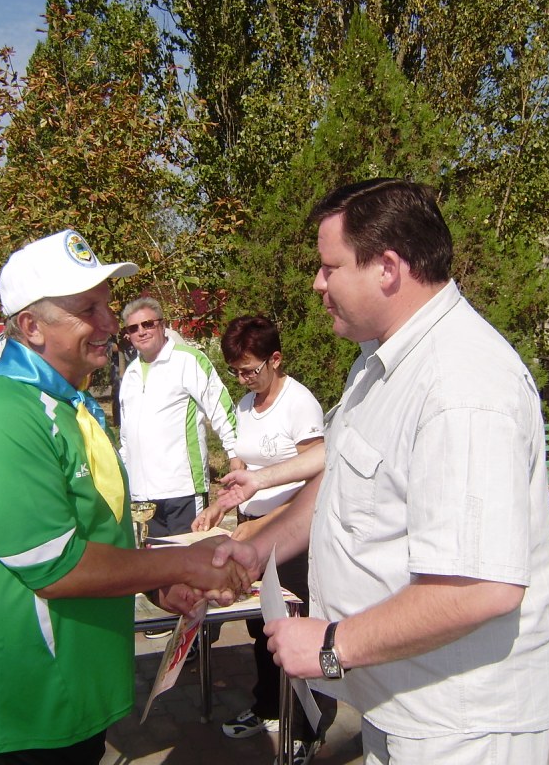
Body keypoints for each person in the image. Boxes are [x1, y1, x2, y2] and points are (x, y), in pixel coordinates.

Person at [210, 179, 549, 764]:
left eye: (330, 267)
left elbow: (481, 587)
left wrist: (332, 644)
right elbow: (339, 483)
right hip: (402, 702)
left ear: (388, 269)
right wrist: (257, 550)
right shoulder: (380, 363)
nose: (317, 283)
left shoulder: (462, 386)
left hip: (459, 724)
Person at [0, 228, 250, 764]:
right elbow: (54, 567)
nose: (109, 324)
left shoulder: (71, 405)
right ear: (31, 327)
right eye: (88, 310)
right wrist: (184, 563)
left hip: (70, 695)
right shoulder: (7, 414)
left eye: (106, 305)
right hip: (15, 708)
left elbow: (97, 533)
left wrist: (155, 583)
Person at [192, 315, 330, 764]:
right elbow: (243, 469)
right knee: (261, 627)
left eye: (250, 369)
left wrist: (266, 524)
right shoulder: (246, 404)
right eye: (235, 371)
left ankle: (306, 728)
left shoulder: (299, 404)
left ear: (275, 359)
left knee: (295, 629)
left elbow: (316, 478)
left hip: (292, 537)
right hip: (252, 527)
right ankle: (268, 705)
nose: (243, 379)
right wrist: (221, 506)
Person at [118, 296, 241, 536]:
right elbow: (126, 434)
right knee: (153, 559)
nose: (141, 331)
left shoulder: (189, 360)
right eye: (133, 328)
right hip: (141, 496)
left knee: (190, 556)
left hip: (182, 489)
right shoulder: (130, 374)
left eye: (148, 324)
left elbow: (220, 408)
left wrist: (235, 453)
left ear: (162, 325)